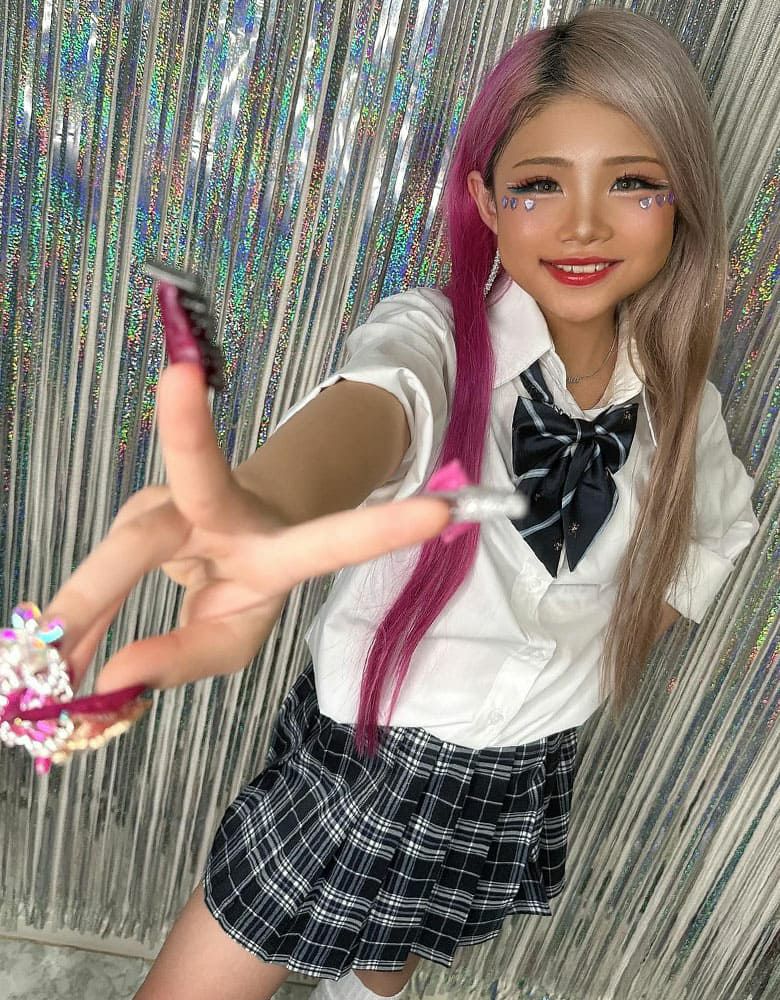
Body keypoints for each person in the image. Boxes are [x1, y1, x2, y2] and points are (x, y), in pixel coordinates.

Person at [37, 7, 760, 1000]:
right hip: (368, 759)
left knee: (397, 951)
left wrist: (603, 647)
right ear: (486, 200)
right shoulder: (436, 343)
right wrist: (264, 508)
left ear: (683, 200)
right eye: (541, 184)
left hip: (517, 768)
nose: (585, 224)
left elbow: (718, 528)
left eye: (632, 182)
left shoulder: (685, 409)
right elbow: (377, 406)